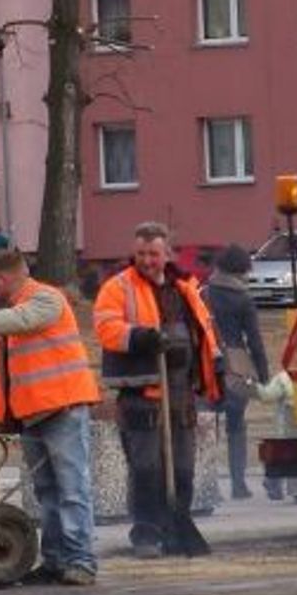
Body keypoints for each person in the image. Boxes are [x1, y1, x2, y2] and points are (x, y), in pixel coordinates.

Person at [0, 248, 101, 585]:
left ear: (4, 278)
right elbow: (7, 375)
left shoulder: (45, 300)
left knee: (71, 489)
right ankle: (57, 561)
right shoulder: (13, 315)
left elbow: (24, 320)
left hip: (62, 409)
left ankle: (82, 561)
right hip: (34, 415)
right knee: (48, 492)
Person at [94, 222, 223, 559]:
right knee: (146, 466)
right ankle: (146, 532)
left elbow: (204, 330)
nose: (147, 260)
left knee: (182, 467)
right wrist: (140, 337)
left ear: (167, 254)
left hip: (181, 393)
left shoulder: (185, 288)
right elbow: (106, 327)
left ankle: (177, 522)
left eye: (153, 254)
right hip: (141, 392)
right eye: (141, 254)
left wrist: (214, 364)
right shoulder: (118, 286)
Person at [200, 244, 273, 500]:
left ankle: (206, 486)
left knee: (206, 426)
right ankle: (238, 484)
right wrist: (264, 373)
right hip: (237, 364)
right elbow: (254, 340)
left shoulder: (203, 293)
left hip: (206, 361)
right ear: (241, 270)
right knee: (236, 426)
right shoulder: (243, 298)